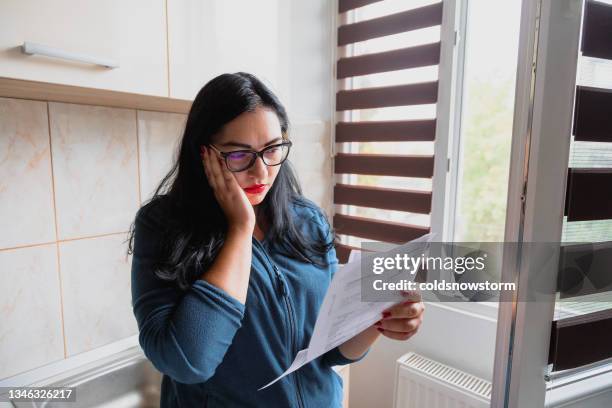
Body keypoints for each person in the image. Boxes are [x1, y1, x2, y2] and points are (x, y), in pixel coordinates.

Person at [127, 72, 425, 407]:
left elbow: (326, 352)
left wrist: (380, 322)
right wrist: (240, 228)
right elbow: (189, 361)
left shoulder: (307, 222)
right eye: (239, 155)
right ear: (204, 155)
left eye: (272, 149)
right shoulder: (164, 226)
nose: (261, 171)